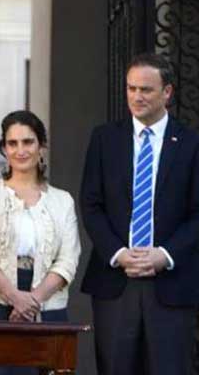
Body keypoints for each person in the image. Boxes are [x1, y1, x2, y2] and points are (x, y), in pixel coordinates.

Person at [80, 53, 199, 375]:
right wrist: (118, 253)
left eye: (146, 89)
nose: (137, 96)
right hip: (115, 282)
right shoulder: (104, 138)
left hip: (171, 284)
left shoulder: (191, 143)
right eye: (131, 88)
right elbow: (91, 204)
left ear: (167, 92)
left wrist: (166, 254)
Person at [0, 110, 81, 375]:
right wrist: (14, 297)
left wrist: (32, 301)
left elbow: (68, 260)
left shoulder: (62, 201)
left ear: (41, 146)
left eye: (28, 142)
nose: (20, 150)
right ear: (4, 149)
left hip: (47, 305)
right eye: (12, 143)